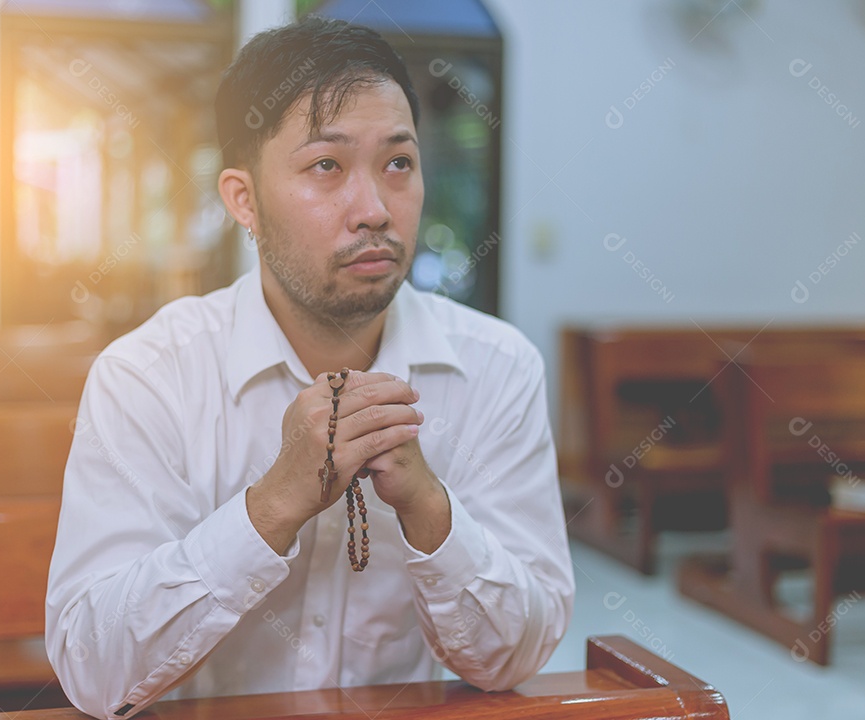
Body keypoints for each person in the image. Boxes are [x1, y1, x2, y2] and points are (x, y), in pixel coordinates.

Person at [46, 16, 573, 720]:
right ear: (244, 200)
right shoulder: (148, 376)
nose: (375, 210)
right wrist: (272, 506)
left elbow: (520, 657)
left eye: (399, 163)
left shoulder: (498, 368)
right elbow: (95, 672)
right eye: (327, 166)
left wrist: (429, 508)